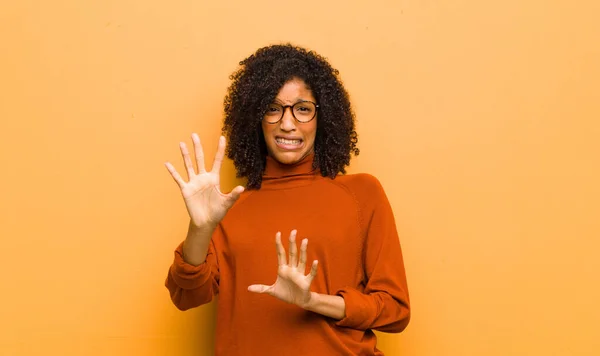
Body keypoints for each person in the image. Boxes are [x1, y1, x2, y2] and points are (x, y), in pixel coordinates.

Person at [164, 44, 410, 355]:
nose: (287, 123)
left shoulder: (362, 194)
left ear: (323, 117)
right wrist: (200, 228)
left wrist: (312, 301)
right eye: (273, 108)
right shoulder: (228, 207)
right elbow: (186, 297)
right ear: (256, 117)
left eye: (302, 108)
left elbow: (395, 309)